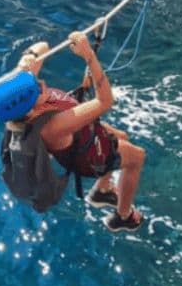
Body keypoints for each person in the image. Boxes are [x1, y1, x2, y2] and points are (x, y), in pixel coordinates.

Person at [18, 31, 146, 232]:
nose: (42, 83)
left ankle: (102, 192)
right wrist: (89, 55)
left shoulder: (24, 96)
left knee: (121, 137)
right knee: (137, 157)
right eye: (37, 88)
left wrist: (29, 59)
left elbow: (43, 46)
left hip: (82, 134)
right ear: (31, 107)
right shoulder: (51, 126)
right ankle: (123, 216)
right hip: (89, 158)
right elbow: (105, 101)